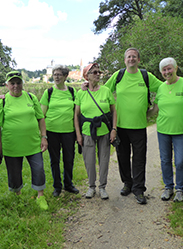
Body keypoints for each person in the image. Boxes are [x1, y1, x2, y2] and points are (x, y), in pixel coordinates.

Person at [104, 48, 163, 204]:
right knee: (122, 157)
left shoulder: (145, 76)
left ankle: (139, 189)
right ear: (125, 60)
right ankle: (127, 184)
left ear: (138, 60)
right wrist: (87, 86)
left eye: (134, 57)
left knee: (139, 158)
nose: (131, 59)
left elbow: (163, 88)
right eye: (129, 57)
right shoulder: (118, 75)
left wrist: (154, 109)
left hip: (139, 126)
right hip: (121, 126)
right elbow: (104, 91)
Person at [0, 71, 49, 210]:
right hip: (11, 145)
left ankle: (40, 196)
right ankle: (17, 196)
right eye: (12, 83)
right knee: (14, 172)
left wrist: (44, 137)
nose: (16, 86)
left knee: (39, 168)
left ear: (23, 84)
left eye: (19, 83)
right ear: (7, 85)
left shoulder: (31, 97)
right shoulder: (2, 102)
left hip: (33, 143)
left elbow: (40, 118)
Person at [148, 58, 183, 202]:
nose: (167, 72)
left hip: (181, 130)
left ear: (176, 68)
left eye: (169, 68)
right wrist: (141, 115)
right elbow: (155, 109)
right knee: (165, 160)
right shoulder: (160, 88)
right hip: (163, 130)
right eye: (164, 70)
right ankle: (168, 187)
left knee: (179, 161)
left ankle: (180, 189)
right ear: (161, 72)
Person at [74, 63, 117, 200]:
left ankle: (102, 187)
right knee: (89, 160)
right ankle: (91, 187)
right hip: (87, 131)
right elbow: (76, 115)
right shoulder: (81, 93)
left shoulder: (106, 91)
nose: (98, 74)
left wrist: (114, 130)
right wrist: (78, 134)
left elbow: (114, 111)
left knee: (104, 159)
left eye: (99, 72)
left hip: (104, 130)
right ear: (87, 76)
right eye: (94, 72)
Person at [40, 65, 79, 197]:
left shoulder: (72, 92)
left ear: (65, 76)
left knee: (69, 159)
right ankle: (57, 186)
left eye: (59, 74)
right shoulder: (49, 92)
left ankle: (68, 184)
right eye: (55, 74)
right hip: (52, 132)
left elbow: (77, 112)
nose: (56, 77)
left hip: (69, 131)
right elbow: (42, 115)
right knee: (54, 160)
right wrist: (43, 135)